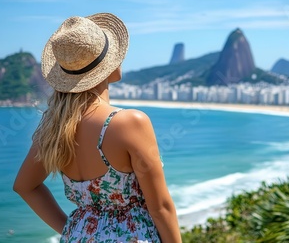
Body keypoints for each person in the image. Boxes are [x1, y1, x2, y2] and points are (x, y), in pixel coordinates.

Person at [13, 13, 181, 242]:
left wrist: (75, 230)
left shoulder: (54, 127)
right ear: (107, 65)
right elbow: (160, 208)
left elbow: (24, 187)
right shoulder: (129, 123)